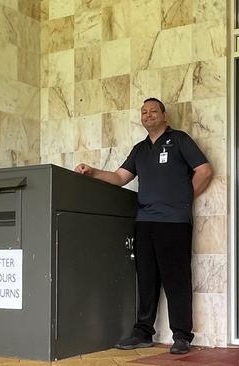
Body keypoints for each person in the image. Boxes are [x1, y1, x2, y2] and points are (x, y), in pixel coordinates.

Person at [75, 97, 213, 354]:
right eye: (143, 112)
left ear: (164, 116)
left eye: (153, 111)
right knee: (146, 279)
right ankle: (143, 332)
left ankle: (182, 336)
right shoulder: (139, 150)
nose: (148, 115)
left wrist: (182, 198)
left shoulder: (180, 140)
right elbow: (119, 177)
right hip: (145, 222)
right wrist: (93, 171)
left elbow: (204, 170)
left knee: (176, 279)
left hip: (174, 223)